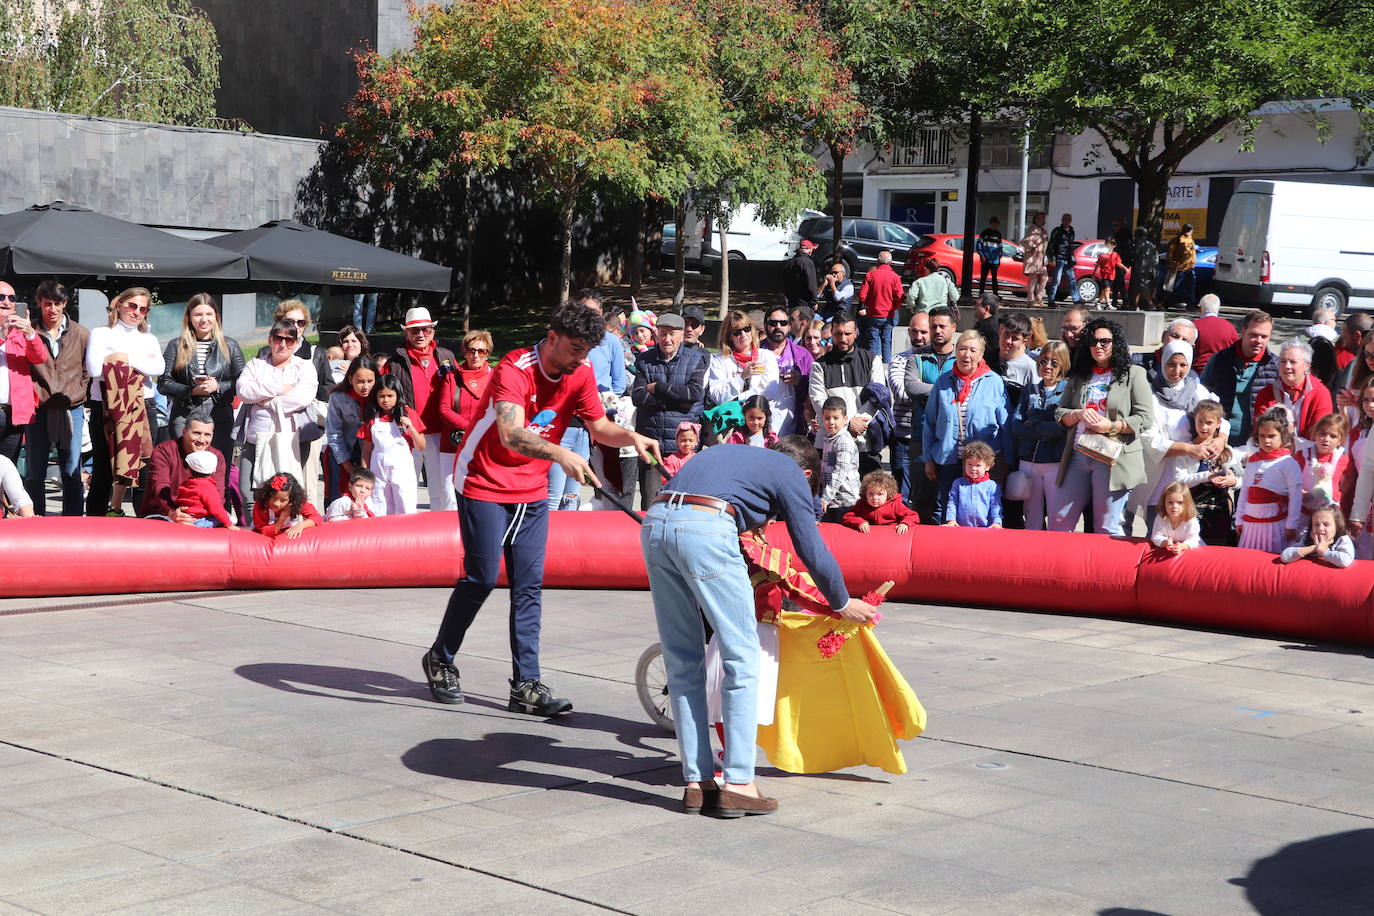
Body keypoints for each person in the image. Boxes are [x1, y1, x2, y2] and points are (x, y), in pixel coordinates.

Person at [424, 301, 660, 715]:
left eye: (586, 351)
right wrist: (560, 455)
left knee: (529, 586)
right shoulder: (515, 369)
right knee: (480, 577)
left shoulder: (581, 372)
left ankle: (526, 685)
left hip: (531, 487)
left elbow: (599, 428)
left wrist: (632, 437)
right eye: (574, 349)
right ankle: (440, 657)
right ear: (552, 338)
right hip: (483, 480)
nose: (580, 359)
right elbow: (512, 434)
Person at [640, 437, 879, 815]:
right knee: (742, 656)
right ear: (805, 475)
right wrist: (841, 601)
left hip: (655, 524)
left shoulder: (726, 453)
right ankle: (738, 783)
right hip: (707, 525)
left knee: (683, 661)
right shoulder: (791, 473)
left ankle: (697, 783)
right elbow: (811, 549)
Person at [1051, 319, 1154, 537]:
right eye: (1093, 341)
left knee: (1106, 526)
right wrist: (1076, 415)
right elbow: (1060, 413)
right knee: (1059, 520)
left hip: (1111, 458)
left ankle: (1103, 571)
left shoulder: (1134, 374)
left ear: (1115, 343)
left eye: (1105, 341)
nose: (1098, 346)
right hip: (1078, 453)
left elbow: (1145, 418)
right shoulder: (1080, 375)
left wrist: (1111, 426)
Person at [84, 287, 162, 517]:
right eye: (132, 306)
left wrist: (120, 358)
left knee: (144, 468)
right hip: (106, 409)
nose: (137, 312)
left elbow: (158, 368)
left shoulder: (149, 338)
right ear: (119, 305)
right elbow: (94, 369)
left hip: (143, 407)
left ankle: (144, 524)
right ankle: (96, 526)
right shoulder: (100, 333)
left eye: (143, 308)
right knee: (103, 470)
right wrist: (139, 363)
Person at [922, 330, 1009, 522]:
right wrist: (928, 458)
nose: (966, 354)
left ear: (981, 354)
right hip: (949, 459)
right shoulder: (944, 381)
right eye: (962, 348)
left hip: (983, 463)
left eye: (972, 350)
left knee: (983, 513)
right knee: (951, 512)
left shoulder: (993, 382)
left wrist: (1008, 461)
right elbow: (929, 421)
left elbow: (1005, 423)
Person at [1133, 339, 1218, 529]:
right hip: (1160, 477)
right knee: (1158, 530)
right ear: (1162, 362)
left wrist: (1219, 439)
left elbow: (1217, 417)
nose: (1176, 370)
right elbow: (1149, 438)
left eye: (1182, 365)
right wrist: (1188, 448)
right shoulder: (1151, 395)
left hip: (1191, 477)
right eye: (1171, 364)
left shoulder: (1197, 391)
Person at [256, 300, 332, 507]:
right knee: (272, 479)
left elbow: (328, 387)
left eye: (300, 322)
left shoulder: (316, 353)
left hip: (306, 425)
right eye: (290, 321)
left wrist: (304, 391)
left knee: (306, 482)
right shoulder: (265, 352)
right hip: (272, 425)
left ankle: (308, 527)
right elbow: (253, 387)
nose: (296, 326)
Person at [24, 280, 89, 516]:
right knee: (35, 472)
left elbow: (87, 369)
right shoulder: (29, 330)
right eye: (48, 303)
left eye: (58, 303)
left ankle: (72, 523)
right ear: (39, 303)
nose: (53, 309)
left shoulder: (80, 333)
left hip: (71, 407)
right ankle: (36, 521)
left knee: (71, 471)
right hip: (38, 408)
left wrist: (78, 391)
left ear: (65, 304)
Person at [632, 312, 708, 509]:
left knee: (684, 504)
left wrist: (659, 388)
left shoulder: (696, 359)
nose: (667, 339)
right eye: (663, 333)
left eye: (672, 334)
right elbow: (638, 396)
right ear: (656, 335)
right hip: (652, 443)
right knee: (651, 504)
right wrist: (676, 402)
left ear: (682, 336)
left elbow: (693, 394)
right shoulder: (644, 360)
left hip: (683, 447)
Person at [158, 293, 245, 466]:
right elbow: (163, 383)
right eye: (198, 314)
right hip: (185, 413)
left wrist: (218, 386)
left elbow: (244, 383)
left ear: (216, 317)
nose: (204, 319)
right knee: (184, 468)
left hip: (219, 413)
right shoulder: (176, 345)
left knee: (218, 468)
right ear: (189, 317)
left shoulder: (230, 345)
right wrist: (191, 391)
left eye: (209, 314)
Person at [235, 319, 318, 495]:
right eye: (278, 338)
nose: (283, 344)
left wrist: (262, 400)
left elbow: (301, 398)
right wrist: (279, 389)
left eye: (289, 340)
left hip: (291, 441)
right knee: (248, 493)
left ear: (295, 343)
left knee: (284, 494)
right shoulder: (256, 365)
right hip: (254, 440)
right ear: (270, 340)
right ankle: (255, 524)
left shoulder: (304, 367)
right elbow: (243, 391)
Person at [388, 307, 457, 512]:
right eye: (415, 330)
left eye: (425, 330)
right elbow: (385, 394)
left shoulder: (446, 356)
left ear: (432, 332)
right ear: (406, 333)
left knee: (441, 491)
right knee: (407, 489)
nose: (420, 335)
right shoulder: (395, 361)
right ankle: (408, 538)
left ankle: (440, 536)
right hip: (409, 433)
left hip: (441, 431)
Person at [1011, 341, 1070, 530]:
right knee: (1031, 514)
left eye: (1054, 363)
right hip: (1029, 459)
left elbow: (1064, 429)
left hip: (1055, 461)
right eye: (1043, 361)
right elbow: (1016, 425)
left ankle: (1057, 555)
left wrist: (1035, 424)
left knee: (1057, 513)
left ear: (1063, 365)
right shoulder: (1029, 389)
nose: (1048, 367)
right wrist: (1045, 429)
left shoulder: (1068, 391)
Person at [1201, 309, 1279, 448]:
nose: (1258, 341)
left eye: (1264, 336)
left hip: (1257, 442)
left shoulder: (1276, 366)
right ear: (1243, 332)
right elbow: (1202, 395)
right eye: (1253, 335)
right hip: (1217, 438)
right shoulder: (1220, 360)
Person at [1235, 407, 1303, 553]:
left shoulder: (1289, 463)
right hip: (1251, 524)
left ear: (1283, 436)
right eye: (1262, 436)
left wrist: (1292, 524)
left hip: (1276, 525)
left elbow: (1296, 496)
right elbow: (1245, 492)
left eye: (1272, 436)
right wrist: (1239, 519)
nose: (1266, 440)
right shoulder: (1252, 462)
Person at [704, 310, 783, 432]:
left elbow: (769, 391)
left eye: (746, 329)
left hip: (759, 424)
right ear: (728, 336)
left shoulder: (766, 356)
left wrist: (738, 398)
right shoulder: (719, 360)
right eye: (736, 332)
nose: (743, 335)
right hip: (730, 426)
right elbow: (718, 396)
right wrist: (741, 377)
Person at [359, 374, 425, 516]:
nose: (386, 400)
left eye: (390, 395)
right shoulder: (372, 419)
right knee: (380, 504)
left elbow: (421, 446)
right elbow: (366, 451)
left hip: (402, 468)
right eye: (381, 396)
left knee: (405, 503)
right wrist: (364, 474)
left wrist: (412, 428)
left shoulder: (409, 414)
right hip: (378, 469)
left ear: (398, 395)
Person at [139, 416, 225, 521]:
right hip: (163, 513)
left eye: (207, 435)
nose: (202, 440)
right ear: (184, 432)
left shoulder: (216, 457)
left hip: (202, 514)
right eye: (197, 433)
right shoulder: (164, 451)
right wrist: (172, 511)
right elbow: (160, 486)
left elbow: (218, 493)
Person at [887, 311, 934, 501]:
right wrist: (934, 390)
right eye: (914, 332)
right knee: (901, 496)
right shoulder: (899, 359)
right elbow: (902, 392)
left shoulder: (938, 360)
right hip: (903, 437)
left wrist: (917, 386)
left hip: (930, 436)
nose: (919, 337)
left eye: (923, 332)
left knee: (927, 495)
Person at [0, 279, 46, 465]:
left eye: (12, 298)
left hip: (13, 412)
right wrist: (2, 335)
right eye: (1, 297)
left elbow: (40, 358)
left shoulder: (21, 333)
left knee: (7, 470)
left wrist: (30, 334)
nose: (7, 302)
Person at [1251, 338, 1334, 441]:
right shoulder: (1266, 393)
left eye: (1293, 362)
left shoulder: (1320, 393)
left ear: (1306, 365)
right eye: (1283, 361)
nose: (1287, 366)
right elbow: (1261, 431)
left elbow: (1321, 431)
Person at [1184, 400, 1242, 547]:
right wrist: (1206, 476)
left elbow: (1242, 478)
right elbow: (1180, 480)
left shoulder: (1226, 450)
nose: (1204, 427)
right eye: (1200, 422)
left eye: (1209, 422)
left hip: (1219, 513)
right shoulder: (1188, 449)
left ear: (1218, 423)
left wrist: (1232, 481)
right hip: (1193, 512)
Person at [325, 355, 379, 500]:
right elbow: (334, 433)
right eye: (360, 381)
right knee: (339, 496)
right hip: (343, 451)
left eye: (370, 381)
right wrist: (348, 466)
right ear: (350, 380)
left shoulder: (380, 397)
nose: (366, 386)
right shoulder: (338, 397)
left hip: (371, 453)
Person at [760, 306, 814, 437]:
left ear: (789, 326)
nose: (778, 326)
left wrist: (801, 380)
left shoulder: (803, 354)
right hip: (759, 425)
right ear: (766, 325)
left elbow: (816, 385)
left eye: (783, 323)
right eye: (773, 323)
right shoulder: (755, 351)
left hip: (793, 427)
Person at [1295, 412, 1350, 518]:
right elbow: (1293, 479)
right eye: (1322, 433)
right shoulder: (1302, 455)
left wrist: (1336, 494)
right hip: (1304, 510)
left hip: (1330, 512)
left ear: (1340, 440)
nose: (1326, 439)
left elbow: (1348, 480)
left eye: (1333, 436)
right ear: (1315, 434)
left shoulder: (1343, 459)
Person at [857, 250, 904, 364]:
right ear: (891, 262)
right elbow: (900, 296)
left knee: (873, 341)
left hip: (874, 313)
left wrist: (869, 305)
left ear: (878, 261)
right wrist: (894, 307)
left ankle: (874, 366)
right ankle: (887, 366)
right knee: (886, 341)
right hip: (889, 314)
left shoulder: (870, 275)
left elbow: (862, 295)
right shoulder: (895, 277)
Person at [818, 396, 860, 520]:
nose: (831, 422)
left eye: (836, 418)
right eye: (827, 418)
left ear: (845, 419)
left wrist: (825, 498)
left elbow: (840, 472)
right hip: (834, 500)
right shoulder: (830, 439)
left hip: (845, 501)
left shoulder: (843, 441)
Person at [944, 440, 1002, 527]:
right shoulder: (958, 484)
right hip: (961, 529)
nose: (973, 468)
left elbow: (996, 506)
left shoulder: (992, 486)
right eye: (969, 464)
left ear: (987, 466)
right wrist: (951, 520)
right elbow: (952, 503)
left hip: (986, 529)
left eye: (978, 465)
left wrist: (996, 522)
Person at [175, 449, 238, 529]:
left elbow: (179, 499)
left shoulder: (187, 483)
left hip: (185, 515)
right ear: (214, 471)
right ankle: (197, 526)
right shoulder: (208, 487)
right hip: (198, 519)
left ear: (189, 470)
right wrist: (229, 524)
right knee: (226, 517)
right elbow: (216, 508)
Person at [842, 469, 917, 533]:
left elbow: (912, 516)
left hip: (890, 535)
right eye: (871, 494)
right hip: (869, 537)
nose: (875, 498)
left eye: (879, 494)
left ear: (888, 494)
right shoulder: (862, 504)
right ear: (865, 493)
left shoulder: (894, 505)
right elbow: (847, 516)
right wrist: (859, 522)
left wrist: (905, 523)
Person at [252, 472, 322, 539]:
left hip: (287, 541)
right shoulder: (261, 505)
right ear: (267, 495)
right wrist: (283, 517)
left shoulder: (297, 504)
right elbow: (264, 533)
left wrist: (301, 525)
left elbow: (317, 517)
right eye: (273, 498)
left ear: (291, 500)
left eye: (283, 500)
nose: (277, 503)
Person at [1281, 505, 1355, 568]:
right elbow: (1285, 556)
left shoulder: (1342, 540)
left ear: (1337, 526)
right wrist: (1315, 548)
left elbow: (1345, 561)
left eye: (1326, 524)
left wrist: (1324, 552)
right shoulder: (1307, 538)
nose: (1320, 529)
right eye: (1316, 525)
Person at [1192, 294, 1239, 374]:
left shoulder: (1193, 326)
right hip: (1222, 372)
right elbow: (1237, 351)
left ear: (1200, 308)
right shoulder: (1230, 327)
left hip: (1198, 372)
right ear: (1218, 308)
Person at [1150, 482, 1200, 553]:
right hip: (1168, 551)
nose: (1174, 507)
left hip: (1189, 552)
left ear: (1187, 503)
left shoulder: (1191, 521)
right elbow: (1155, 536)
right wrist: (1165, 541)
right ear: (1164, 503)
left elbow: (1194, 540)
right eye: (1170, 502)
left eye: (1180, 502)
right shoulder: (1161, 517)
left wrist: (1183, 546)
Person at [1048, 213, 1079, 303]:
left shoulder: (1071, 231)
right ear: (1062, 220)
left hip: (1068, 259)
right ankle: (1051, 300)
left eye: (1068, 219)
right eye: (1065, 219)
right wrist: (1052, 259)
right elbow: (1051, 245)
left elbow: (1070, 244)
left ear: (1070, 221)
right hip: (1059, 258)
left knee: (1072, 280)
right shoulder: (1057, 231)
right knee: (1056, 281)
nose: (1066, 221)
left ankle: (1076, 299)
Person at [783, 240, 820, 313]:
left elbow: (785, 283)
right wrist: (814, 301)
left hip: (791, 303)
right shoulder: (808, 262)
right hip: (804, 304)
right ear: (809, 250)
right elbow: (811, 284)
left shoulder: (789, 262)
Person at [1163, 224, 1197, 301]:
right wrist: (1172, 264)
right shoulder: (1177, 240)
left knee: (1190, 288)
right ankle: (1164, 302)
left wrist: (1194, 262)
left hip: (1189, 268)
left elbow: (1193, 252)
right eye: (1187, 229)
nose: (1188, 232)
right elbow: (1169, 253)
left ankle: (1190, 305)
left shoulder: (1191, 240)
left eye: (1190, 230)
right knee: (1172, 286)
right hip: (1179, 268)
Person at [976, 217, 1004, 296]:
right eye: (993, 223)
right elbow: (979, 244)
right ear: (990, 224)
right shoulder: (985, 233)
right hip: (986, 259)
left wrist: (999, 257)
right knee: (983, 277)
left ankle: (995, 294)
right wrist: (981, 255)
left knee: (994, 278)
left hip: (994, 260)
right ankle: (981, 293)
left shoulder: (998, 234)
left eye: (996, 224)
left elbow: (1000, 247)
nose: (994, 225)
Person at [1092, 238, 1123, 308]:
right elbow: (1097, 264)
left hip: (1112, 275)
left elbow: (1118, 263)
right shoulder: (1102, 255)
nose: (1109, 245)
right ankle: (1108, 304)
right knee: (1107, 289)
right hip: (1104, 275)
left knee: (1103, 290)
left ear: (1114, 245)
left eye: (1111, 244)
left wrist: (1125, 268)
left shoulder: (1115, 254)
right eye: (1107, 244)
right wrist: (1093, 274)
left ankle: (1098, 304)